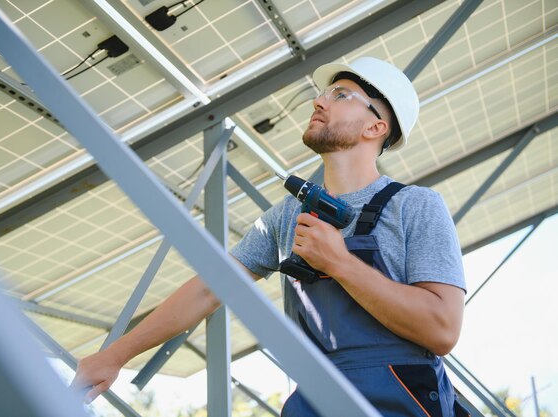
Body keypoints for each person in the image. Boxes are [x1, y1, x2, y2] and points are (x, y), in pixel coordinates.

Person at [71, 57, 468, 417]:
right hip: (316, 399)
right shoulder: (288, 216)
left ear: (376, 126)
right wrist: (115, 355)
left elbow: (442, 329)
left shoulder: (415, 206)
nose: (319, 102)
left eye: (341, 95)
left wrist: (340, 263)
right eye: (324, 93)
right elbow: (210, 289)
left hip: (401, 400)